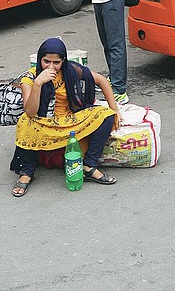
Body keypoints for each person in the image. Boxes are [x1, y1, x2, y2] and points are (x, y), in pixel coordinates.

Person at [9, 38, 121, 197]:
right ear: (40, 59)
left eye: (56, 62)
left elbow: (102, 80)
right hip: (44, 123)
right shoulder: (30, 77)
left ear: (63, 61)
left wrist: (115, 109)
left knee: (106, 115)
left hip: (69, 123)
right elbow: (30, 112)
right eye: (46, 61)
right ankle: (27, 172)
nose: (50, 67)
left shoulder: (70, 70)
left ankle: (88, 166)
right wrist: (38, 84)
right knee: (25, 122)